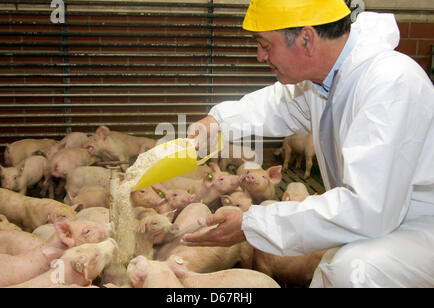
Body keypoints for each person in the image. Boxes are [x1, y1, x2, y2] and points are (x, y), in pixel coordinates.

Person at [182, 0, 434, 287]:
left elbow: (368, 209)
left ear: (306, 38)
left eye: (265, 44)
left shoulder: (390, 83)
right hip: (382, 219)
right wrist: (217, 123)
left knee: (353, 271)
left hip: (417, 225)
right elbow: (276, 105)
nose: (259, 56)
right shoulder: (326, 82)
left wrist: (253, 223)